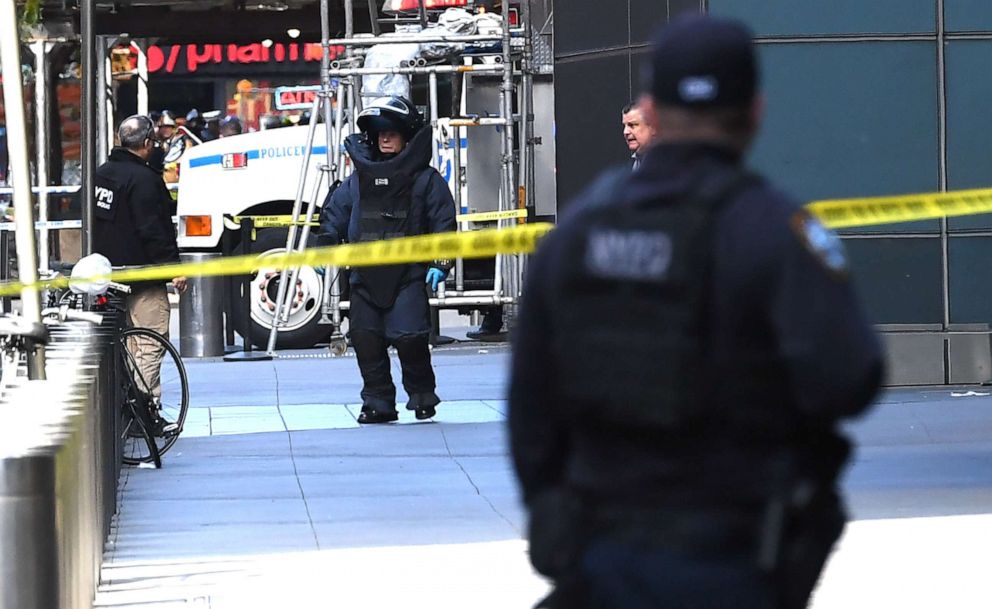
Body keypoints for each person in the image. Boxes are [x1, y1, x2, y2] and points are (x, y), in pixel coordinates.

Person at [509, 15, 884, 609]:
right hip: (734, 556)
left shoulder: (580, 232)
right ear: (755, 111)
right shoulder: (776, 231)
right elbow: (852, 376)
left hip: (603, 553)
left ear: (653, 108)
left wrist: (553, 513)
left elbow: (531, 400)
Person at [318, 96, 456, 424]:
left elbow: (444, 223)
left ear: (407, 135)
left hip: (408, 275)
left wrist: (440, 262)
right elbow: (334, 216)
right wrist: (323, 247)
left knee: (409, 337)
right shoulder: (358, 182)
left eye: (391, 132)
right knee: (365, 339)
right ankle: (378, 401)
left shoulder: (426, 180)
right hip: (363, 278)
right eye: (379, 133)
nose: (384, 138)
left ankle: (422, 393)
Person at [93, 114, 188, 433]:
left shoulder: (101, 176)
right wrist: (173, 269)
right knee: (150, 343)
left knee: (128, 346)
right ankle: (144, 413)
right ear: (146, 144)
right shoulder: (145, 180)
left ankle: (131, 410)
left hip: (109, 275)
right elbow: (155, 230)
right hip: (144, 277)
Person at [622, 100, 656, 170]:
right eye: (624, 126)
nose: (625, 132)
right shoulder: (633, 164)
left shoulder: (669, 164)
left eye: (632, 125)